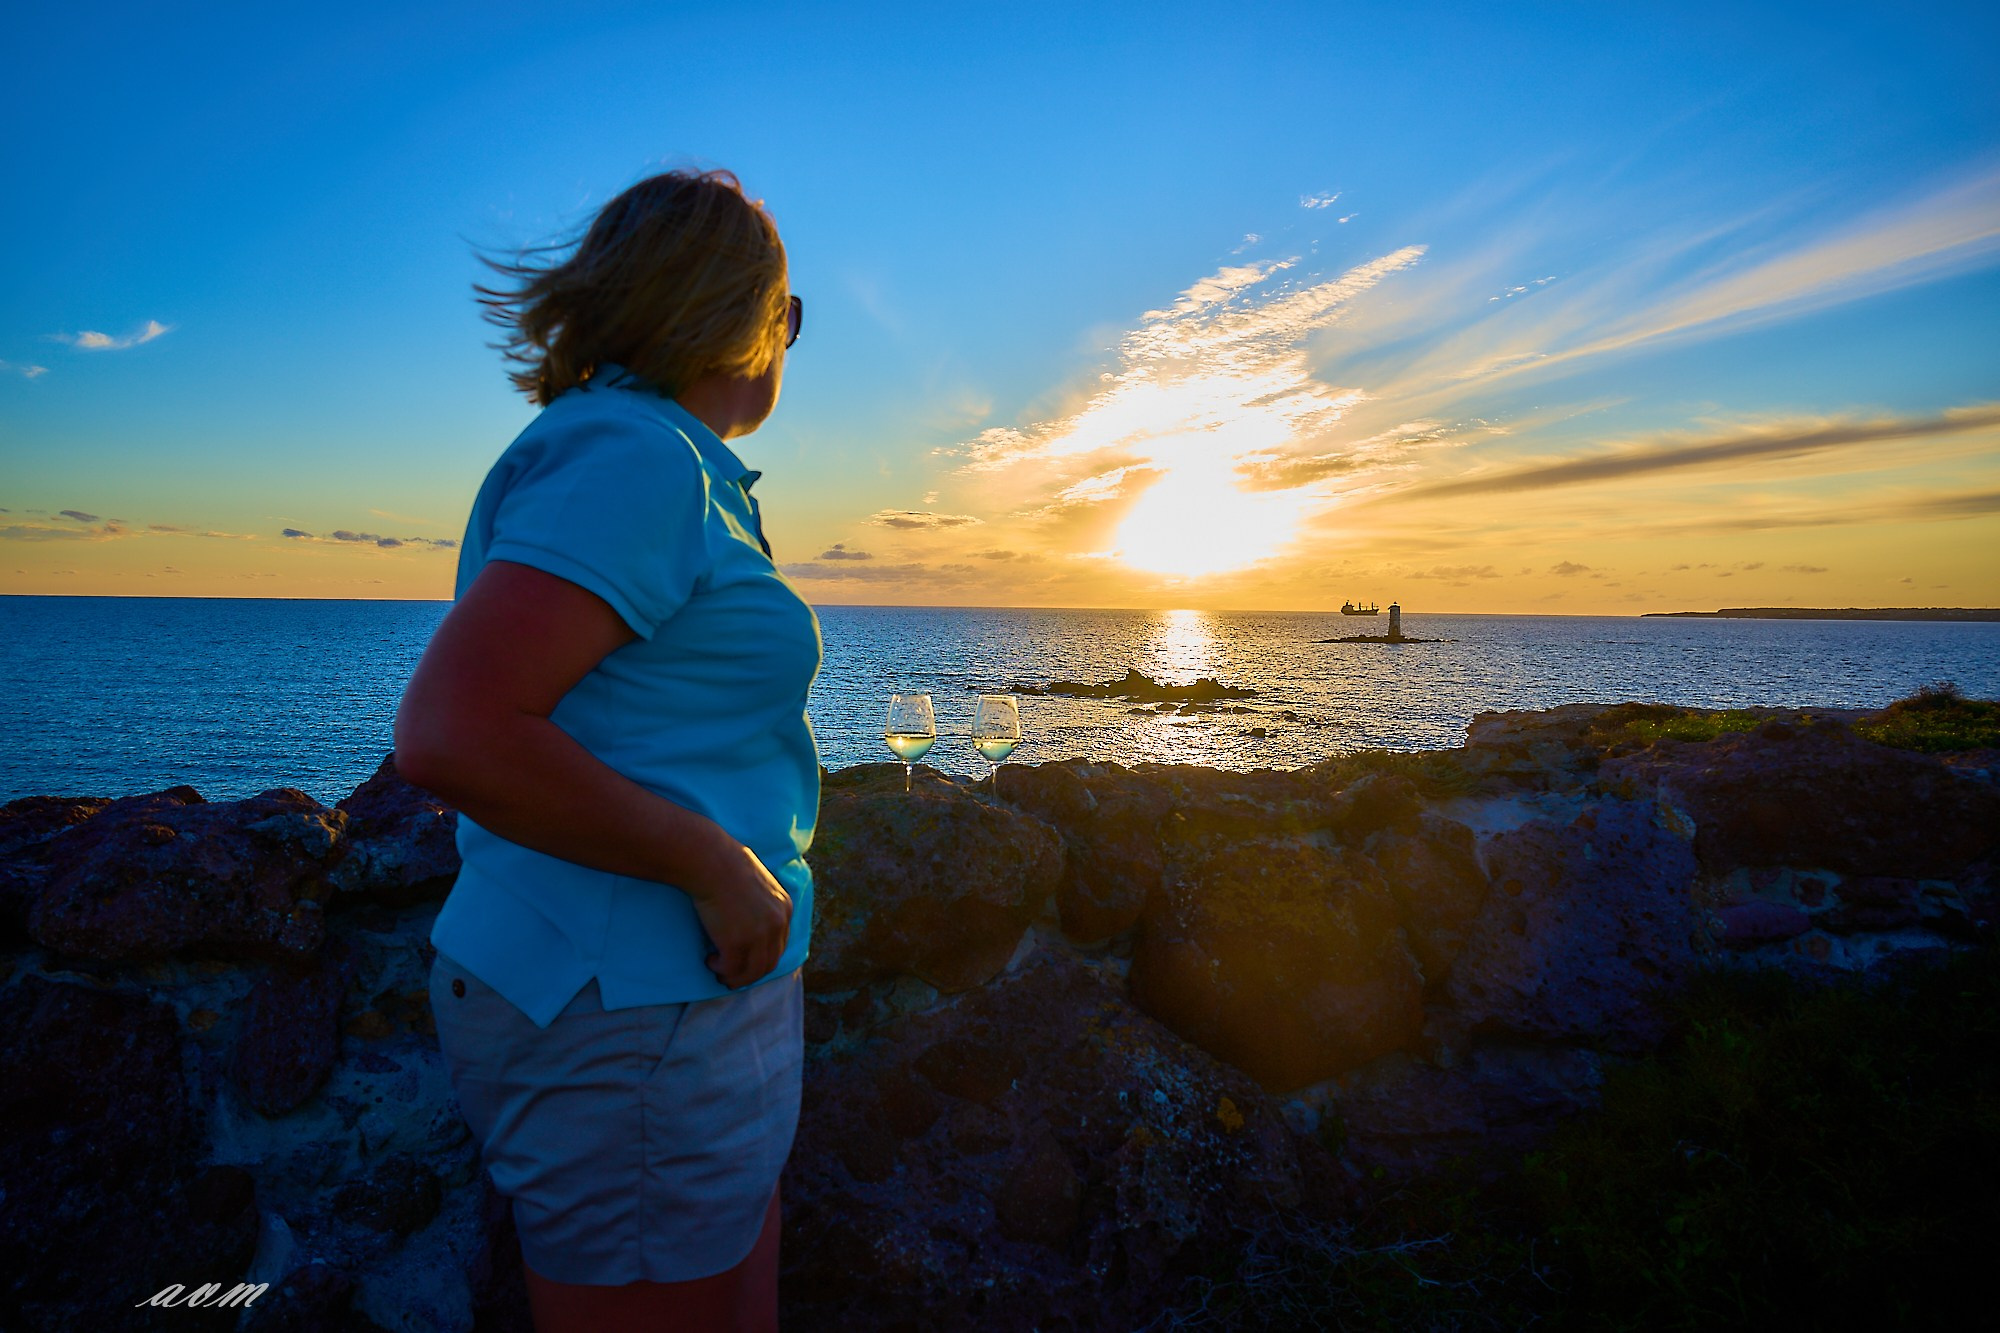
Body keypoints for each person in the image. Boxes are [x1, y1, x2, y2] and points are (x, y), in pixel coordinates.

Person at [394, 167, 819, 1333]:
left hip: (668, 1002)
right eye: (790, 310)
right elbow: (452, 731)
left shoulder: (656, 458)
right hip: (625, 1009)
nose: (790, 338)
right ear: (740, 312)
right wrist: (710, 863)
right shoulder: (637, 462)